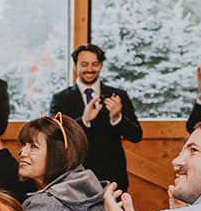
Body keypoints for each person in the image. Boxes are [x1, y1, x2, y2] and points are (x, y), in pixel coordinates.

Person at [48, 44, 142, 190]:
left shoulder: (118, 96)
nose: (90, 69)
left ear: (101, 65)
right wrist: (83, 121)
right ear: (75, 66)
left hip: (113, 178)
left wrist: (117, 118)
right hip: (75, 179)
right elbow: (54, 136)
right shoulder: (60, 99)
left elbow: (136, 135)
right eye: (84, 64)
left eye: (95, 64)